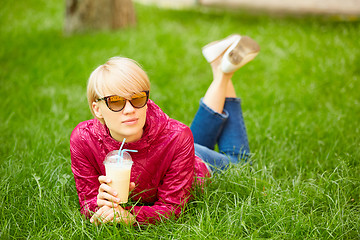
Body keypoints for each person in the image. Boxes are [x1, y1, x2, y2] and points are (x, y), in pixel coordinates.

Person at [70, 34, 260, 226]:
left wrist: (130, 216)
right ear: (96, 109)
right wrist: (98, 205)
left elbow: (172, 208)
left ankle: (225, 73)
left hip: (196, 164)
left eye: (137, 99)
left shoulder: (177, 137)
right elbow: (88, 202)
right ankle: (219, 68)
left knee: (241, 163)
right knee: (189, 141)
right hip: (177, 151)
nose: (129, 110)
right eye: (116, 101)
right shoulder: (84, 138)